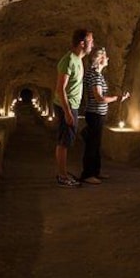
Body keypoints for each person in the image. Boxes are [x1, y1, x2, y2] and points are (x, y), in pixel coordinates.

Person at [80, 47, 129, 184]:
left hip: (98, 114)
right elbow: (99, 98)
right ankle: (88, 174)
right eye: (106, 57)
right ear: (100, 59)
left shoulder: (97, 75)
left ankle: (96, 172)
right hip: (95, 114)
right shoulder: (94, 75)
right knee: (92, 145)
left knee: (96, 144)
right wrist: (116, 98)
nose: (108, 59)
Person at [54, 28, 94, 187]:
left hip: (72, 105)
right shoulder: (69, 60)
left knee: (67, 141)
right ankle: (62, 177)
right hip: (66, 105)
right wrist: (67, 112)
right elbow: (60, 88)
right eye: (91, 41)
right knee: (64, 142)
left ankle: (63, 173)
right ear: (82, 43)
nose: (93, 44)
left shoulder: (79, 60)